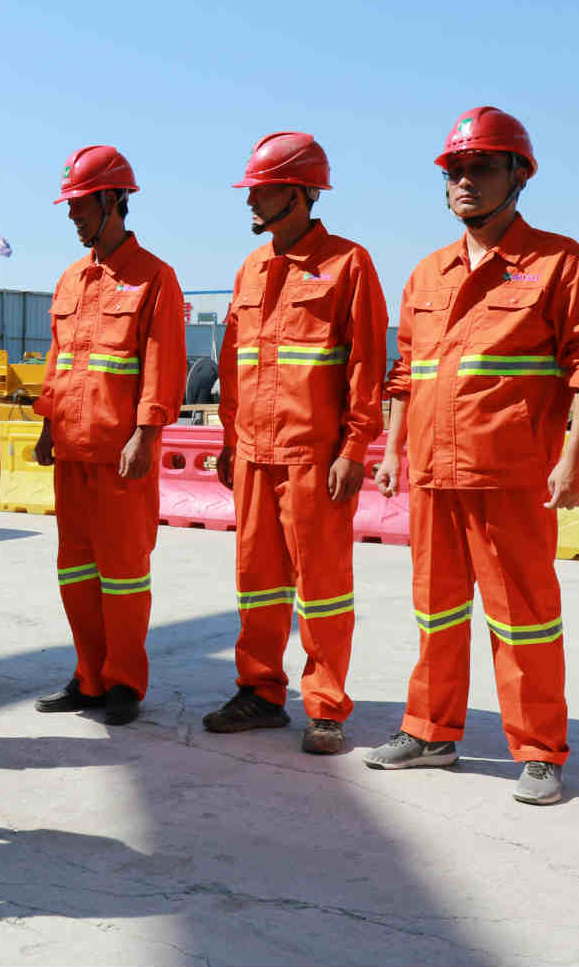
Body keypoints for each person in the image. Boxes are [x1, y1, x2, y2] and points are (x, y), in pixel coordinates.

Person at [366, 107, 579, 805]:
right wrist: (391, 451)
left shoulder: (559, 265)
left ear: (519, 175)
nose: (464, 181)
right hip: (430, 472)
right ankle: (429, 731)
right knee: (435, 610)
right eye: (455, 169)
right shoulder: (427, 274)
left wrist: (572, 460)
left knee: (525, 616)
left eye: (480, 166)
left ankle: (540, 749)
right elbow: (406, 375)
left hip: (510, 474)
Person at [207, 133, 387, 754]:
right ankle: (259, 693)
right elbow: (235, 364)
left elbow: (366, 365)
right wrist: (230, 438)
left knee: (323, 587)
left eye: (265, 190)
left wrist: (353, 450)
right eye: (251, 190)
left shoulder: (349, 264)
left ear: (304, 193)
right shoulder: (251, 269)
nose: (252, 202)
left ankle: (326, 707)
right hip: (254, 454)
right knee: (256, 581)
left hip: (315, 458)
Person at [31, 145, 186, 726]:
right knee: (75, 570)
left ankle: (124, 680)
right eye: (69, 205)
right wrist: (48, 424)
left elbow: (161, 361)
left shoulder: (154, 277)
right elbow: (58, 361)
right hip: (72, 450)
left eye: (80, 205)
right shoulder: (70, 279)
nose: (72, 216)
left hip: (121, 455)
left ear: (113, 201)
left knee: (122, 575)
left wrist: (146, 434)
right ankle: (88, 675)